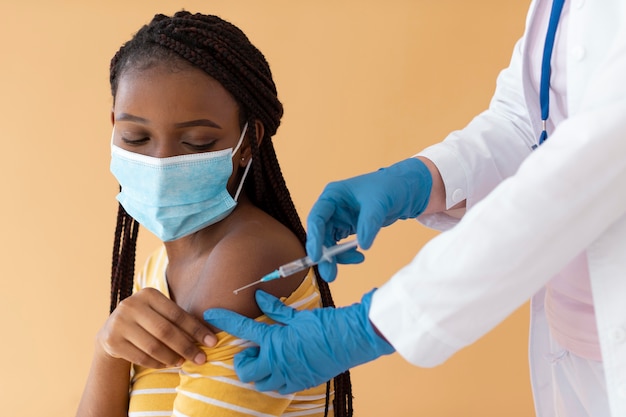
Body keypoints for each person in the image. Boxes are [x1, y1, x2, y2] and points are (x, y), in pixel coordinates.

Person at [203, 1, 626, 416]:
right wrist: (424, 178)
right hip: (577, 339)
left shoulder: (245, 255)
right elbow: (530, 116)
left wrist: (370, 326)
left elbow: (589, 165)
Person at [75, 11, 353, 417]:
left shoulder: (249, 258)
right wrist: (108, 351)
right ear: (114, 126)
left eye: (197, 142)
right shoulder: (156, 271)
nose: (162, 161)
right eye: (136, 137)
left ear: (246, 143)